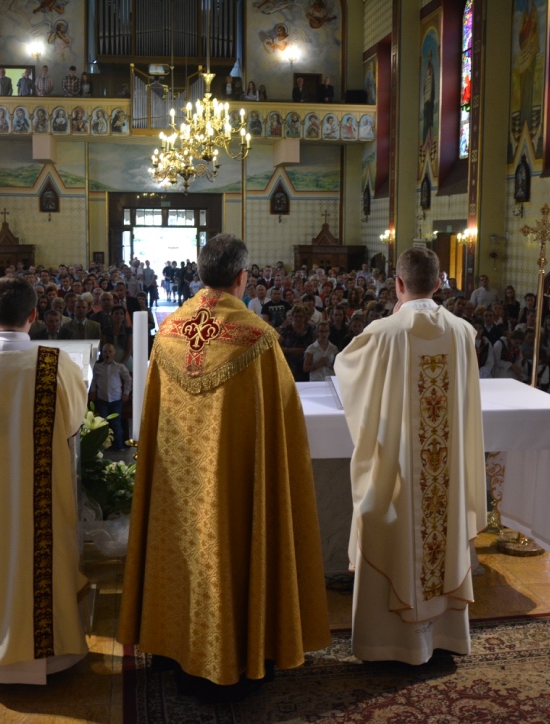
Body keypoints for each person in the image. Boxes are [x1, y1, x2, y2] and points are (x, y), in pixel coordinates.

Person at [119, 233, 330, 697]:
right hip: (235, 487)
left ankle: (176, 647)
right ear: (241, 276)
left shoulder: (169, 331)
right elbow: (283, 421)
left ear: (202, 274)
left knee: (181, 554)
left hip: (177, 488)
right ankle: (240, 656)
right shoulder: (256, 338)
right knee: (236, 552)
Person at [334, 246, 485, 665]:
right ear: (438, 283)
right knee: (443, 535)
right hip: (445, 479)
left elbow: (346, 372)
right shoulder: (462, 332)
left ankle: (390, 645)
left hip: (399, 475)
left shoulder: (383, 332)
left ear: (397, 284)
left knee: (389, 526)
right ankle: (443, 638)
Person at [0, 276, 89, 685]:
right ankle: (47, 657)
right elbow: (73, 422)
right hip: (36, 500)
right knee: (41, 556)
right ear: (34, 315)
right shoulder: (54, 364)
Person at [90, 343, 131, 450]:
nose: (107, 354)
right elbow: (93, 381)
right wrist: (93, 392)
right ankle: (102, 445)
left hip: (116, 400)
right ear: (102, 354)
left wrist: (126, 393)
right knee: (102, 422)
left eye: (110, 352)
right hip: (102, 399)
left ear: (114, 354)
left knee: (116, 423)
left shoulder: (119, 367)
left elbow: (128, 379)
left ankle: (118, 445)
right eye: (105, 352)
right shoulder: (98, 367)